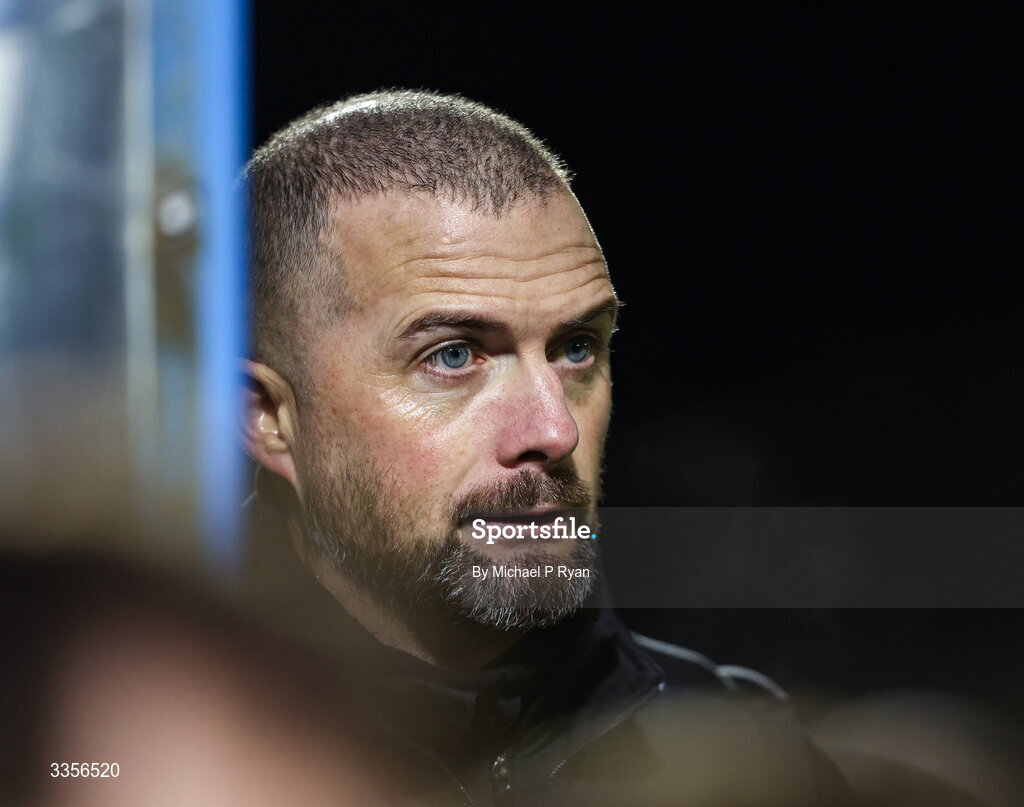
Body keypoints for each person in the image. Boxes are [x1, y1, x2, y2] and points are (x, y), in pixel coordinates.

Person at [240, 90, 851, 806]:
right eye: (454, 354)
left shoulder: (757, 757)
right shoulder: (156, 756)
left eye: (574, 347)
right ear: (268, 417)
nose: (554, 430)